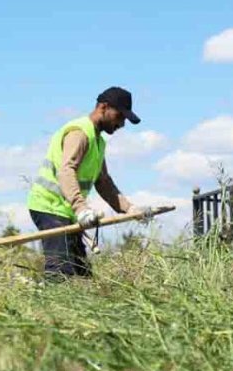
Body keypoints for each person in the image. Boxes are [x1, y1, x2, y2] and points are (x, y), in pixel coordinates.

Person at [25, 87, 153, 278]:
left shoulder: (98, 142)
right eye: (120, 116)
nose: (122, 123)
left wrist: (130, 209)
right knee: (60, 270)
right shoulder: (80, 133)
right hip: (48, 207)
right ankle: (50, 304)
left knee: (82, 273)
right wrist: (81, 208)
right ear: (104, 107)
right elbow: (66, 171)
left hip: (67, 211)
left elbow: (103, 183)